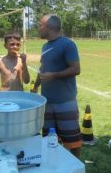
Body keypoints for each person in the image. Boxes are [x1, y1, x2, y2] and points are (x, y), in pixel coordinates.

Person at [30, 15, 82, 158]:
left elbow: (76, 69)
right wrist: (35, 87)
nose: (38, 28)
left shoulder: (67, 44)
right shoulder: (45, 46)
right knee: (49, 140)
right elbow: (43, 68)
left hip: (65, 102)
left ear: (49, 27)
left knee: (73, 142)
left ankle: (76, 166)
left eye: (40, 25)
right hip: (47, 102)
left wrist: (54, 75)